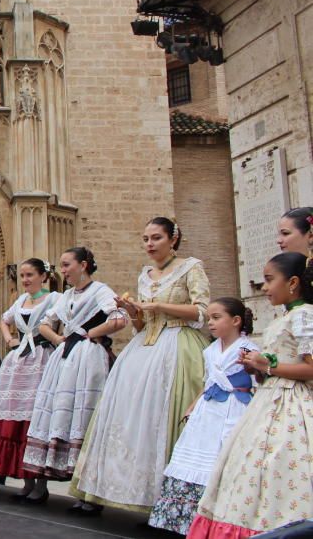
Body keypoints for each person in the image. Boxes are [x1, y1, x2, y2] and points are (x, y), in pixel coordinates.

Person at [72, 218, 211, 515]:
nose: (149, 244)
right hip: (143, 349)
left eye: (156, 238)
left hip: (178, 344)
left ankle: (167, 503)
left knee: (164, 416)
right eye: (145, 238)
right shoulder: (145, 275)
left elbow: (202, 312)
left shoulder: (191, 267)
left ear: (172, 239)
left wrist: (160, 307)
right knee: (131, 419)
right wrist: (132, 310)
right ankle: (127, 493)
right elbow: (140, 324)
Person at [187, 252, 313, 537]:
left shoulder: (304, 315)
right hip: (271, 399)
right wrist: (259, 368)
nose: (265, 287)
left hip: (293, 405)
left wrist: (268, 364)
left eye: (270, 280)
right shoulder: (289, 316)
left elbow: (310, 368)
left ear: (292, 282)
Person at [22, 247, 126, 496]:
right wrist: (60, 339)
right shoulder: (66, 295)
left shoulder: (100, 291)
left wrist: (90, 334)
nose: (63, 270)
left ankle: (90, 491)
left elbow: (119, 318)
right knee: (58, 411)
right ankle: (54, 481)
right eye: (62, 265)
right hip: (65, 357)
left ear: (84, 265)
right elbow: (44, 324)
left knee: (86, 411)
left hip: (89, 357)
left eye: (67, 264)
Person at [148, 298, 256, 535]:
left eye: (217, 318)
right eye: (209, 319)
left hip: (234, 408)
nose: (211, 323)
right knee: (194, 455)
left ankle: (219, 520)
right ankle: (184, 518)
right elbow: (208, 382)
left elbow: (256, 383)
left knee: (222, 458)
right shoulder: (210, 350)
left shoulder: (249, 349)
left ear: (236, 321)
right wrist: (194, 405)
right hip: (208, 410)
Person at [0, 258, 60, 502]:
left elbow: (66, 319)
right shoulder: (20, 301)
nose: (25, 280)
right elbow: (4, 320)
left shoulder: (55, 299)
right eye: (22, 275)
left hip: (42, 359)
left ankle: (41, 485)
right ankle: (27, 482)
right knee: (17, 420)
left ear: (43, 276)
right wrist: (10, 339)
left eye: (30, 275)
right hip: (19, 362)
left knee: (36, 418)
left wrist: (58, 338)